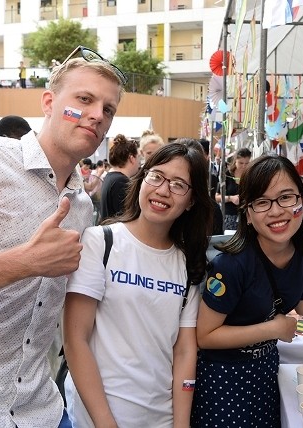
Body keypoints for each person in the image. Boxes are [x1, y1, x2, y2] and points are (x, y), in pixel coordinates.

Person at [0, 49, 126, 426]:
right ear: (49, 102)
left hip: (42, 412)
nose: (98, 114)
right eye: (84, 99)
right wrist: (24, 262)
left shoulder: (81, 207)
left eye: (108, 109)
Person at [191, 153, 303, 427]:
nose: (276, 211)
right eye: (262, 202)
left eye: (286, 197)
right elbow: (206, 336)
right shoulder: (232, 265)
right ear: (247, 214)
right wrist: (274, 329)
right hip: (224, 382)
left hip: (267, 374)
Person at [63, 142, 213, 428]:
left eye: (179, 185)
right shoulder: (100, 241)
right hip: (97, 416)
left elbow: (184, 353)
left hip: (160, 418)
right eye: (156, 176)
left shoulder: (187, 264)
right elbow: (75, 340)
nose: (163, 190)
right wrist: (106, 423)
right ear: (142, 178)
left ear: (191, 200)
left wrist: (180, 424)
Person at [99, 134, 140, 221]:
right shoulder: (121, 181)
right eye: (138, 157)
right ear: (131, 158)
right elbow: (126, 217)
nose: (139, 162)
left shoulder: (110, 177)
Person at [216, 147, 251, 231]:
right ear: (235, 161)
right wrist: (231, 198)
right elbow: (217, 197)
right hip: (229, 216)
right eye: (241, 163)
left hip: (247, 215)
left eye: (247, 163)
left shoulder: (251, 175)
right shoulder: (226, 175)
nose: (244, 166)